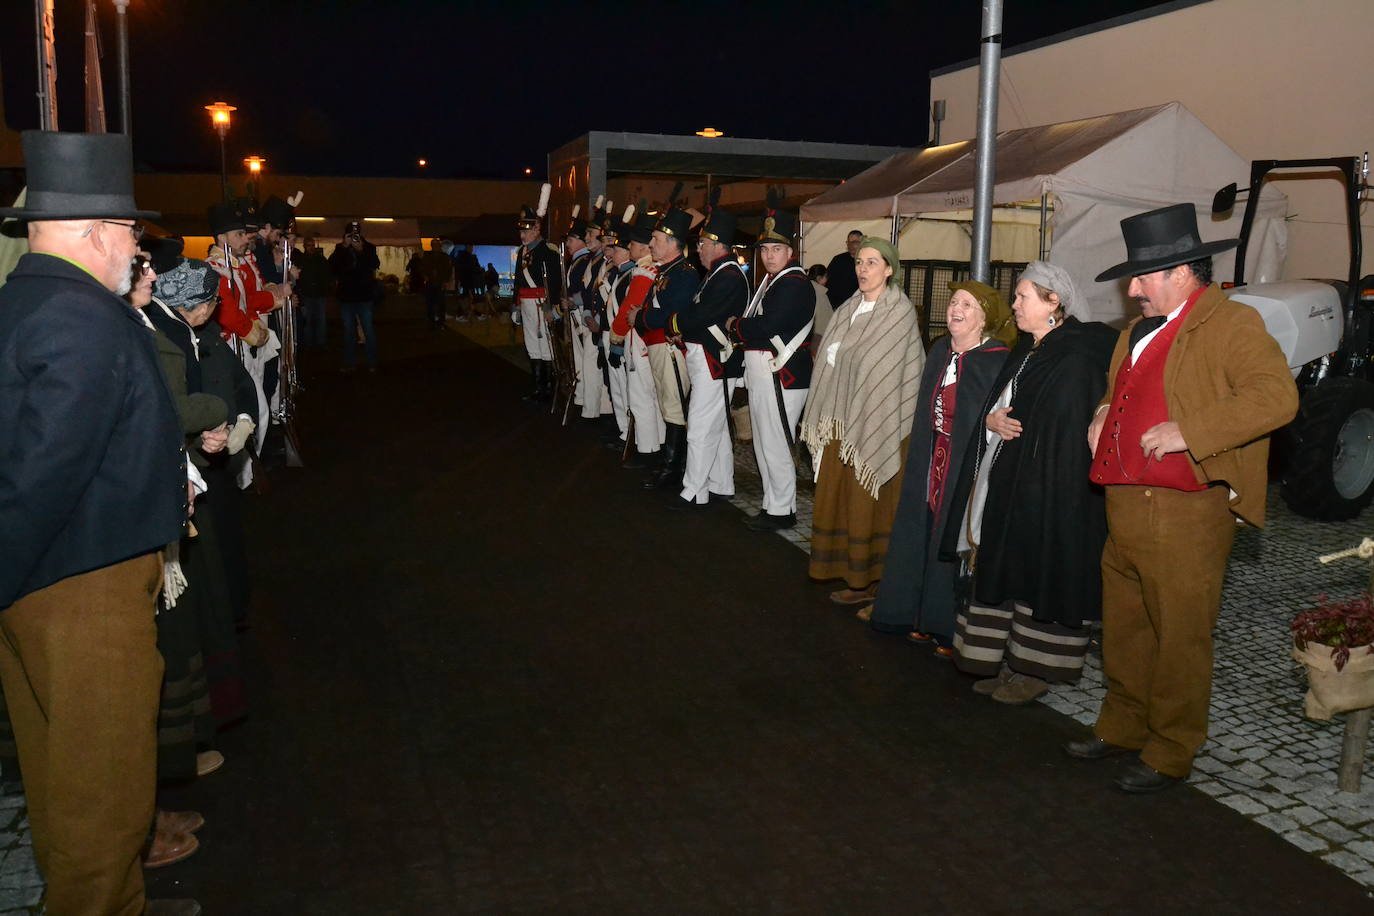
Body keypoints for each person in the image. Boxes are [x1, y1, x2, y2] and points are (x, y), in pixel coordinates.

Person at [0, 130, 198, 915]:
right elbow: (48, 470)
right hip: (81, 589)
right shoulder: (84, 316)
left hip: (40, 585)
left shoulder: (25, 298)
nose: (136, 250)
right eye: (130, 234)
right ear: (95, 233)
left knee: (60, 787)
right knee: (102, 811)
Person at [1065, 204, 1298, 793]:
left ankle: (1170, 749)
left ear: (1182, 272)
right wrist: (1098, 415)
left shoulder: (1231, 323)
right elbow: (1118, 392)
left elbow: (1277, 397)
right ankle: (1121, 724)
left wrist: (1191, 431)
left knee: (1180, 635)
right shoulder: (1135, 333)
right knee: (1125, 627)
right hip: (1123, 505)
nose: (1132, 288)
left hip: (1186, 510)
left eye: (1141, 277)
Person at [944, 262, 1116, 701]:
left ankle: (1035, 671)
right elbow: (1005, 405)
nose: (1015, 304)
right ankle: (1001, 658)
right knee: (1007, 564)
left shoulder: (1076, 355)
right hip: (1011, 480)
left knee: (1042, 568)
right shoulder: (1028, 348)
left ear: (1053, 302)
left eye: (1023, 297)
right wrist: (993, 418)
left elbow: (1067, 428)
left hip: (1053, 490)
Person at [867, 281, 1013, 645]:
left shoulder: (995, 360)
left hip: (966, 465)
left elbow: (995, 417)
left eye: (966, 304)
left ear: (984, 318)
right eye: (952, 303)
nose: (955, 309)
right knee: (922, 528)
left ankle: (948, 625)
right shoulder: (938, 352)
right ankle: (910, 611)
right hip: (930, 459)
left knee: (952, 533)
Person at [800, 238, 925, 604]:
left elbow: (887, 376)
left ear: (889, 269)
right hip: (841, 423)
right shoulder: (848, 309)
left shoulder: (896, 313)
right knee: (841, 500)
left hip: (877, 426)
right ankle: (850, 574)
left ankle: (876, 583)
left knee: (870, 505)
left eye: (873, 262)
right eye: (859, 262)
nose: (863, 269)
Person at [726, 203, 814, 530]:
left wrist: (737, 326)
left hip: (783, 374)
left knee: (775, 442)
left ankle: (781, 510)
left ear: (790, 251)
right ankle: (772, 504)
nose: (769, 255)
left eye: (776, 249)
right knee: (765, 441)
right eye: (765, 249)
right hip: (770, 372)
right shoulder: (776, 281)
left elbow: (768, 325)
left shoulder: (793, 283)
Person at [663, 197, 748, 509]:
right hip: (709, 360)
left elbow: (702, 314)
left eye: (702, 243)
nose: (698, 248)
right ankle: (721, 483)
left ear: (718, 244)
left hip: (716, 363)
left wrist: (674, 322)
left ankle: (693, 491)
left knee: (699, 427)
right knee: (716, 427)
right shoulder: (718, 273)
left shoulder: (728, 276)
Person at [637, 205, 701, 489]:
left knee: (674, 407)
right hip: (658, 345)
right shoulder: (667, 271)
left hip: (670, 348)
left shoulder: (683, 274)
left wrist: (640, 316)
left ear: (674, 243)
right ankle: (670, 463)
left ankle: (674, 469)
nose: (651, 244)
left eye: (657, 240)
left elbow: (675, 314)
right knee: (667, 404)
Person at [607, 207, 667, 466]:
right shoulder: (649, 270)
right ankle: (656, 445)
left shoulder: (644, 272)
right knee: (651, 397)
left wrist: (616, 337)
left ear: (643, 248)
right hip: (646, 340)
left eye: (632, 243)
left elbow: (628, 309)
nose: (629, 247)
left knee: (642, 397)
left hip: (640, 341)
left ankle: (648, 449)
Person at [514, 199, 563, 401]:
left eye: (527, 230)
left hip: (542, 303)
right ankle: (538, 388)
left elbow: (555, 282)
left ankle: (551, 389)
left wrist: (551, 307)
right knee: (532, 346)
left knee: (547, 347)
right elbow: (518, 280)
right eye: (521, 231)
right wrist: (516, 305)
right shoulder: (521, 252)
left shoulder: (548, 251)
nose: (522, 235)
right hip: (526, 303)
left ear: (537, 228)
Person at [329, 219, 381, 373]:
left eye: (356, 232)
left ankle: (372, 362)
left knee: (368, 330)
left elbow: (374, 264)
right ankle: (349, 363)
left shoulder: (369, 247)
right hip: (347, 297)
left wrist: (361, 250)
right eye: (351, 233)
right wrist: (344, 247)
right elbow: (332, 267)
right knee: (348, 332)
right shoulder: (340, 248)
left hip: (364, 296)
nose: (354, 236)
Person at [296, 235, 332, 347]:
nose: (311, 248)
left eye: (312, 245)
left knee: (320, 320)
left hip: (319, 294)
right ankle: (309, 343)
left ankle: (320, 343)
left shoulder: (321, 260)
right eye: (308, 245)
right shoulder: (301, 260)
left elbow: (327, 276)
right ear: (304, 246)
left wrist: (325, 289)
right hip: (307, 295)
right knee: (308, 320)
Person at [824, 229, 863, 308]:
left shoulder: (866, 262)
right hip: (837, 306)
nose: (850, 245)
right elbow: (827, 281)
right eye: (848, 242)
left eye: (854, 242)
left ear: (861, 243)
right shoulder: (838, 259)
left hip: (857, 306)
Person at [420, 237, 453, 330]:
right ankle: (431, 321)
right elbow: (422, 267)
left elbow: (448, 270)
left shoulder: (444, 257)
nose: (435, 247)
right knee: (430, 303)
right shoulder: (427, 256)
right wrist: (425, 276)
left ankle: (440, 322)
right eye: (434, 245)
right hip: (430, 282)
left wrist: (446, 281)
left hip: (440, 282)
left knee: (441, 303)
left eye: (437, 245)